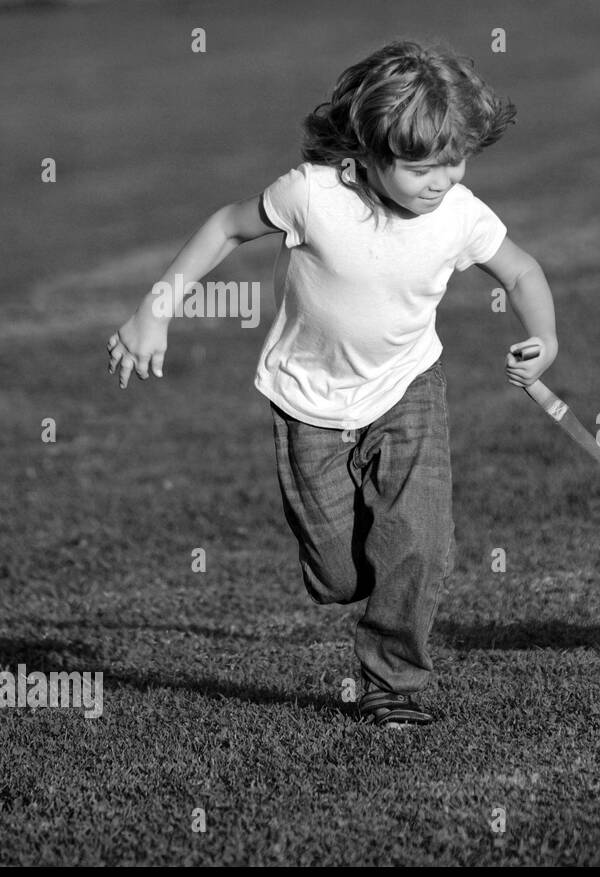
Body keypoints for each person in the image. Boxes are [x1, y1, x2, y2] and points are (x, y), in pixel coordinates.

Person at [107, 39, 557, 726]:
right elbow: (227, 228)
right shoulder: (313, 195)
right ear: (369, 152)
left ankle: (393, 685)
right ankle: (376, 580)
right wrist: (154, 311)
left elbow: (522, 271)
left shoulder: (459, 213)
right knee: (341, 574)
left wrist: (543, 338)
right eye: (419, 166)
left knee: (421, 540)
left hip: (408, 388)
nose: (440, 180)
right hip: (306, 399)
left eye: (454, 160)